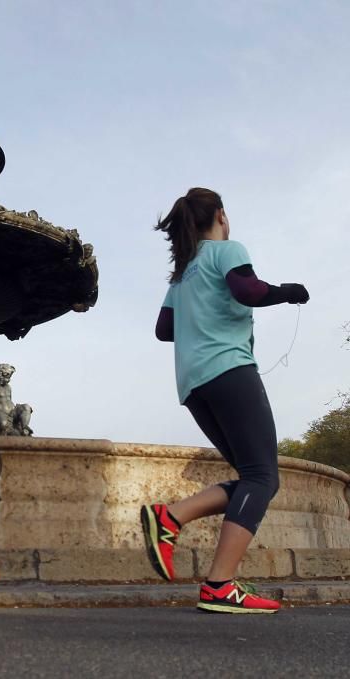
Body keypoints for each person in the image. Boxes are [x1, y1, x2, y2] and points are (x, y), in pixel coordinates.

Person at [141, 187, 309, 614]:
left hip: (194, 384)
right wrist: (291, 290)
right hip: (230, 369)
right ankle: (219, 584)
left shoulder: (181, 276)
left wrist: (199, 317)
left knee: (255, 477)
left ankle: (170, 517)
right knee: (262, 478)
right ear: (220, 215)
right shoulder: (226, 250)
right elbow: (248, 291)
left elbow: (164, 329)